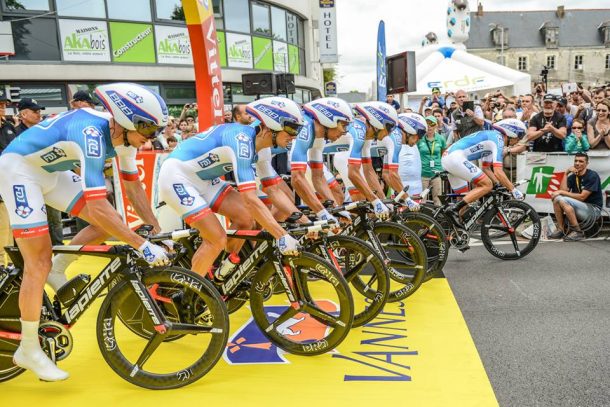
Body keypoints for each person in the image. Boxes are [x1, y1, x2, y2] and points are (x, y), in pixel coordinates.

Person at [0, 83, 171, 382]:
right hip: (18, 171)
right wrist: (141, 244)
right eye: (148, 131)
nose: (150, 139)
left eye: (155, 132)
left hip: (50, 172)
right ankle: (28, 348)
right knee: (37, 261)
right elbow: (97, 203)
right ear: (127, 121)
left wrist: (157, 230)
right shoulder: (90, 132)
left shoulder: (124, 137)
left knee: (111, 220)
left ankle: (60, 267)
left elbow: (132, 186)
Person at [157, 97, 303, 279]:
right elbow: (250, 198)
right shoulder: (241, 141)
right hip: (177, 176)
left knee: (245, 218)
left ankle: (224, 270)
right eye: (291, 129)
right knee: (216, 239)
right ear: (270, 126)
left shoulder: (263, 148)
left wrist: (306, 222)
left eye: (298, 129)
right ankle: (189, 293)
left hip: (204, 179)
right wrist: (281, 236)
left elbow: (274, 191)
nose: (294, 135)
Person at [442, 119, 527, 224]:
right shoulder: (498, 139)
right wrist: (513, 190)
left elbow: (486, 168)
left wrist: (498, 184)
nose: (518, 140)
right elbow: (498, 171)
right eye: (519, 136)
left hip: (450, 158)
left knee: (466, 200)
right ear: (511, 133)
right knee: (486, 185)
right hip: (455, 158)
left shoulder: (493, 137)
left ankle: (450, 230)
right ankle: (453, 209)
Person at [548, 153, 603, 241]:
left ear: (587, 163)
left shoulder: (592, 175)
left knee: (562, 199)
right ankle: (561, 230)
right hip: (580, 208)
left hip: (593, 211)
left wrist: (561, 192)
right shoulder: (573, 177)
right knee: (557, 199)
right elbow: (562, 192)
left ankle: (578, 232)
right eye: (575, 161)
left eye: (581, 161)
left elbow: (582, 197)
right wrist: (566, 173)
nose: (577, 163)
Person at [0, 95, 17, 266]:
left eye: (4, 104)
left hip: (8, 183)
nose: (2, 107)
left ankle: (10, 264)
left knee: (9, 228)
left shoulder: (8, 127)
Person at [417, 115, 447, 205]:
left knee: (437, 199)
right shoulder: (419, 139)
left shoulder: (441, 139)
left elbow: (443, 155)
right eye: (427, 124)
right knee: (422, 200)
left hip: (436, 173)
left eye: (432, 124)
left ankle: (437, 218)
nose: (429, 126)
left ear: (436, 126)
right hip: (423, 173)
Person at [397, 113, 427, 195]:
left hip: (415, 185)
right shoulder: (394, 141)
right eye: (417, 138)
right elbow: (388, 174)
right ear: (409, 131)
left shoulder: (409, 144)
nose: (417, 142)